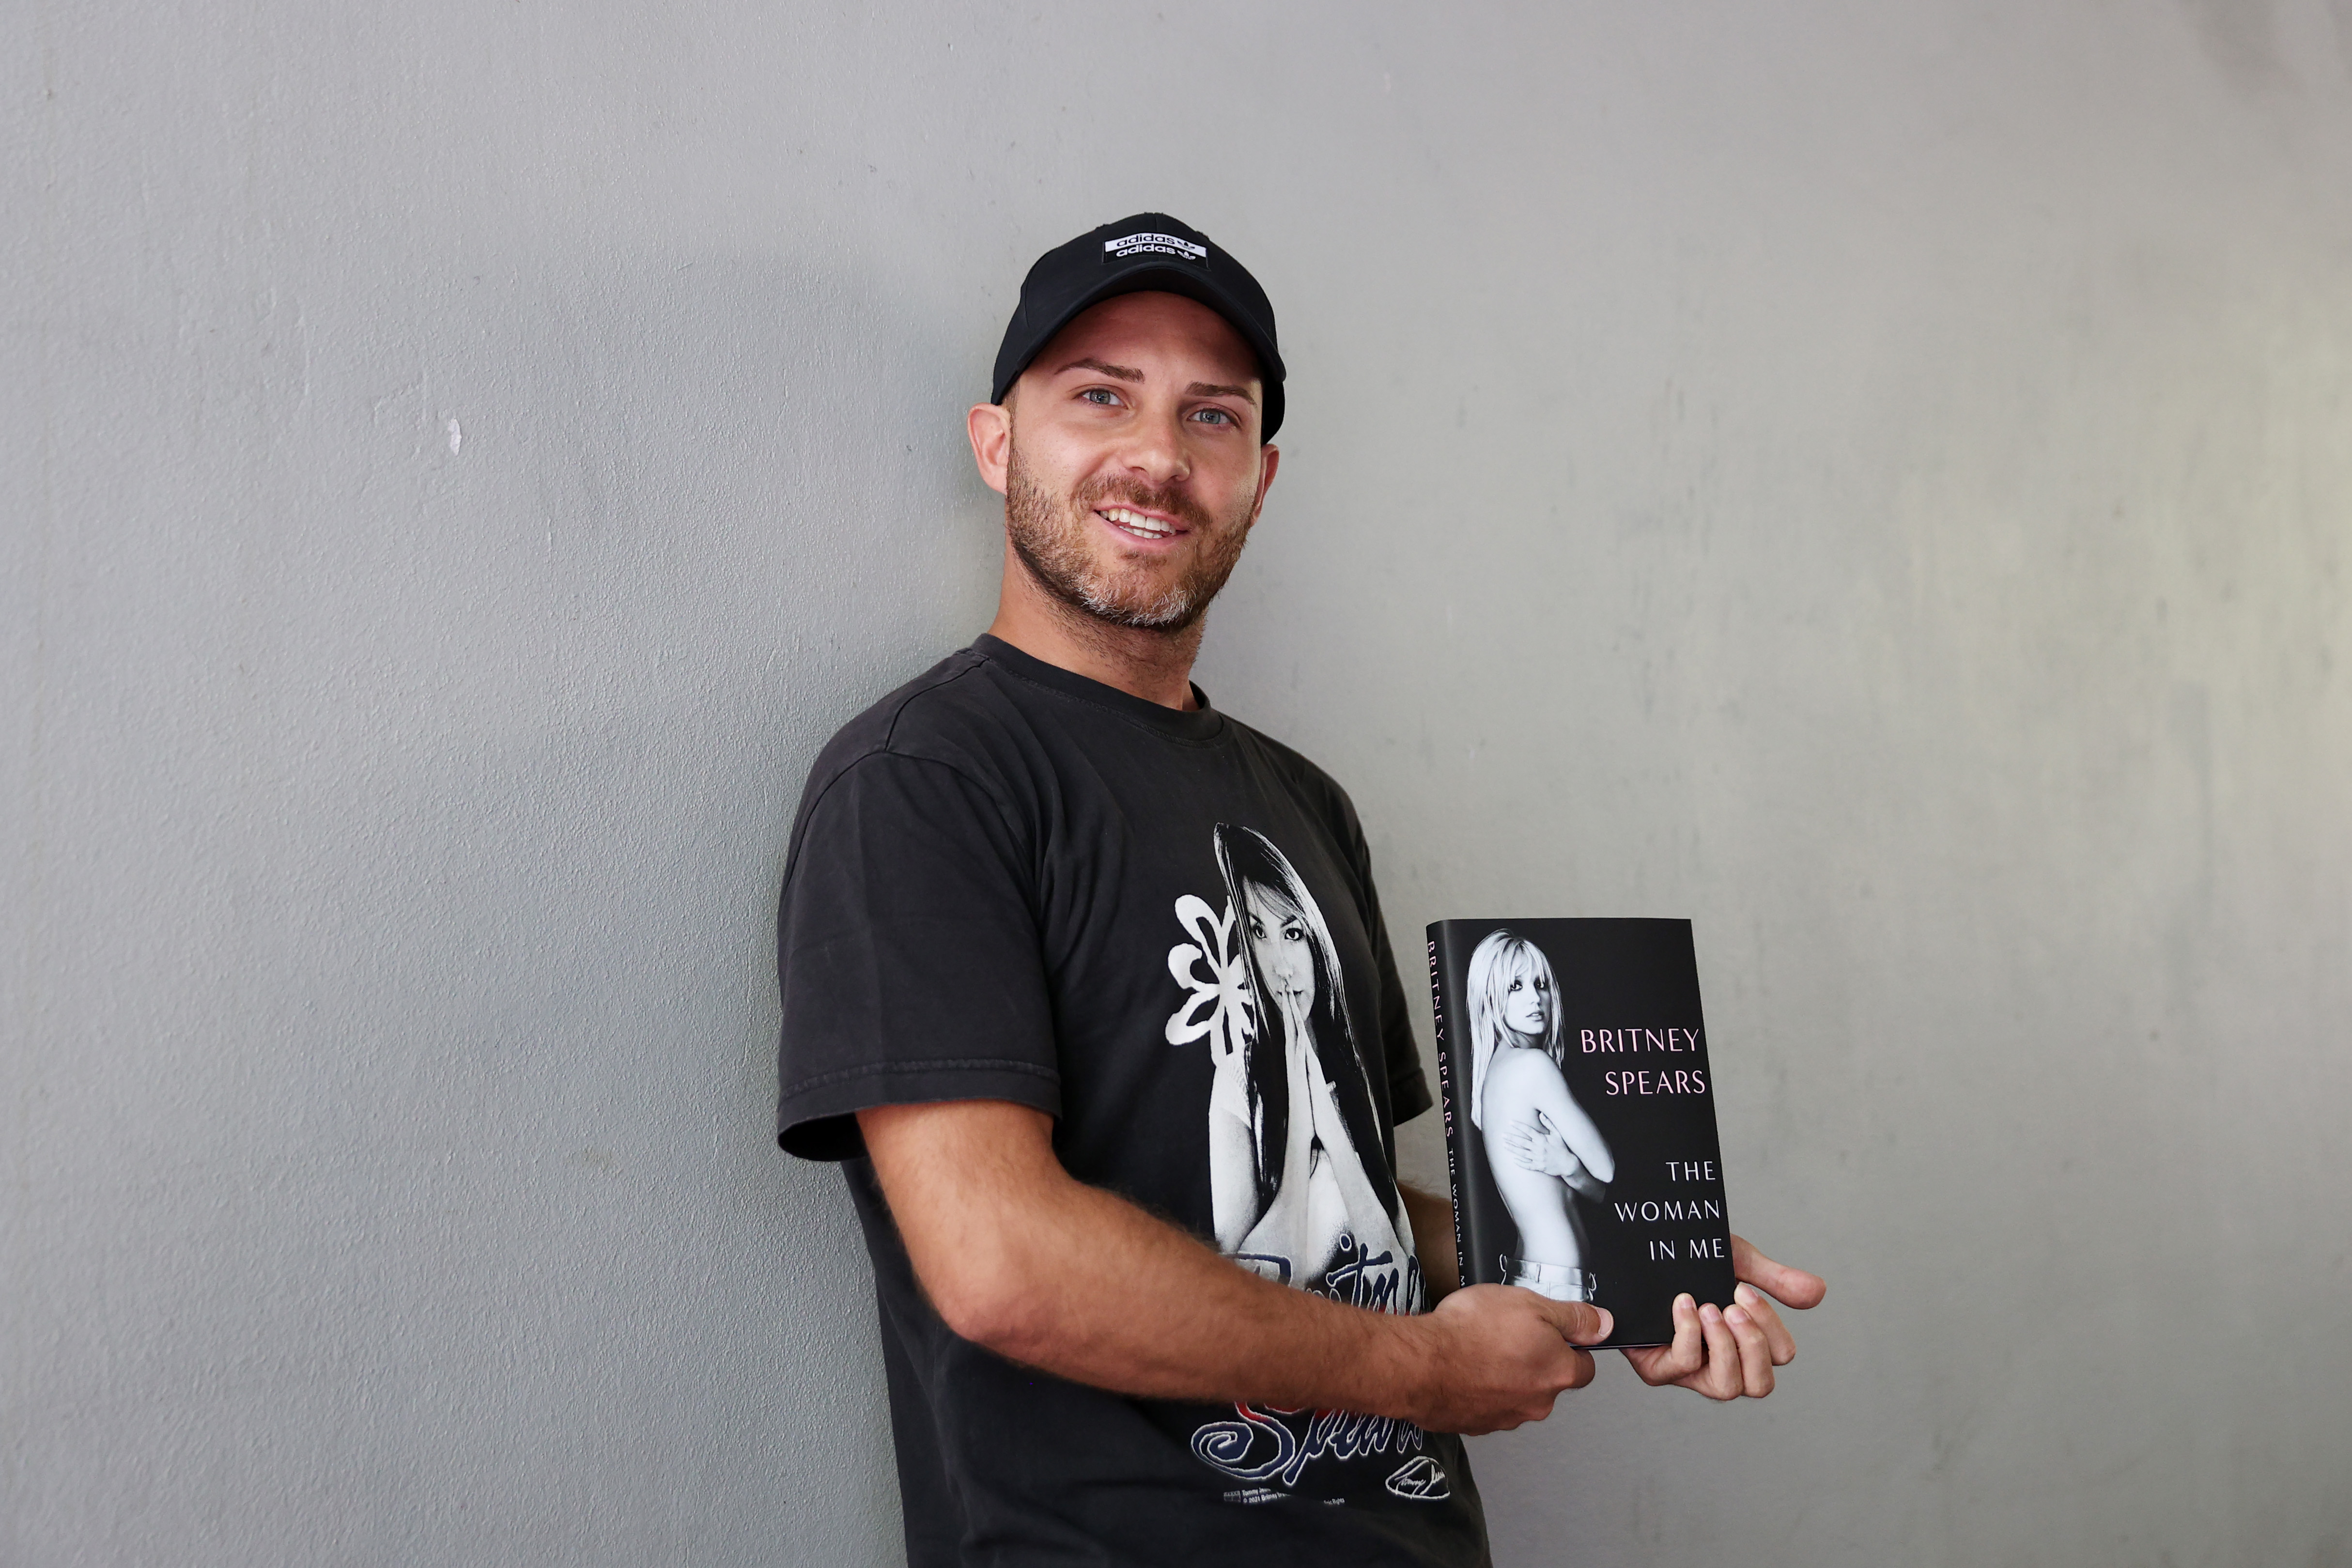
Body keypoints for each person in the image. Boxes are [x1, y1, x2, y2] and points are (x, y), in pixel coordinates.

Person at [774, 213, 1827, 1567]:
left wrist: (1629, 1260)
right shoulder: (924, 779)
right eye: (1100, 395)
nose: (1157, 455)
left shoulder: (1301, 798)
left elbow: (1357, 1215)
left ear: (1259, 476)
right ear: (996, 442)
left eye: (1211, 415)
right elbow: (998, 1261)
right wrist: (1425, 1373)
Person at [1466, 929, 1613, 1304]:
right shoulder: (1533, 1066)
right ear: (1491, 994)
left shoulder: (1493, 1075)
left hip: (1534, 1271)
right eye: (1515, 986)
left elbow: (1598, 1190)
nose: (1535, 998)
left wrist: (1566, 1164)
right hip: (1556, 1277)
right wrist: (1571, 1164)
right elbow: (1607, 1169)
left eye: (1541, 983)